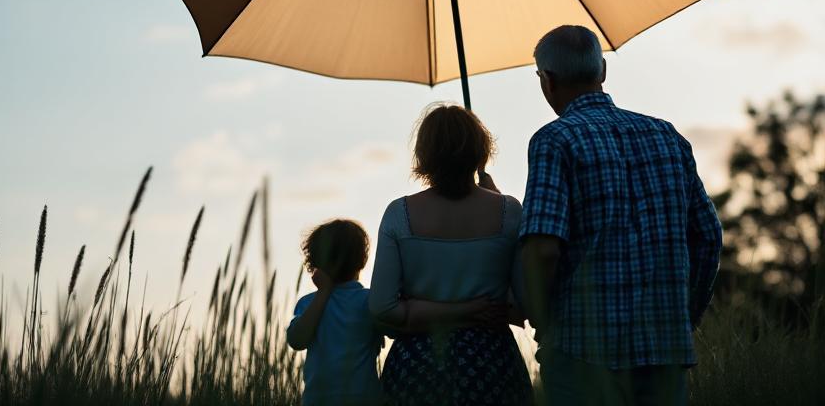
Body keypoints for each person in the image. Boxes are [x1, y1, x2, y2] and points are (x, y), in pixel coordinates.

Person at [519, 25, 723, 406]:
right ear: (603, 71)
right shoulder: (668, 136)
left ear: (547, 80)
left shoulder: (554, 140)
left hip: (582, 352)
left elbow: (542, 250)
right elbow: (709, 236)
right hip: (665, 352)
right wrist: (682, 315)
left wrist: (544, 320)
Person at [369, 104, 533, 406]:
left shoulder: (398, 215)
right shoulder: (510, 213)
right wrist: (473, 309)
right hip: (491, 365)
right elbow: (524, 303)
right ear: (480, 149)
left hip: (417, 366)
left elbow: (382, 307)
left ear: (425, 154)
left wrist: (439, 310)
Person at [287, 219, 383, 406]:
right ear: (362, 260)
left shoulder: (309, 303)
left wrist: (323, 293)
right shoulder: (371, 300)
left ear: (315, 262)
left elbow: (296, 340)